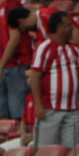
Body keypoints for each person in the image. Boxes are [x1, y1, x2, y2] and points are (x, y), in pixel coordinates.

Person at [28, 11, 79, 148]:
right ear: (59, 27)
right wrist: (39, 105)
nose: (72, 29)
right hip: (50, 110)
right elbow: (35, 77)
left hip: (73, 110)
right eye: (69, 25)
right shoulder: (44, 48)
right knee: (46, 149)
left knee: (71, 151)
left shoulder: (74, 49)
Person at [0, 2, 35, 121]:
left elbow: (15, 39)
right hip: (2, 66)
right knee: (2, 115)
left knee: (18, 114)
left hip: (17, 64)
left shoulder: (12, 3)